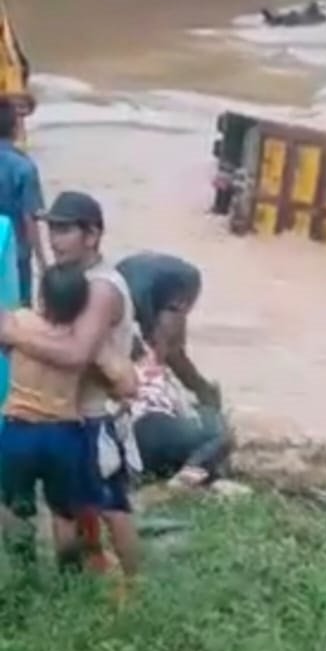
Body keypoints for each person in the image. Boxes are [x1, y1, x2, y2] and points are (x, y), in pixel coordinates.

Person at [0, 191, 140, 579]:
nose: (53, 239)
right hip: (68, 417)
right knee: (80, 507)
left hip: (96, 416)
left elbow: (76, 353)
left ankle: (134, 585)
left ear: (92, 235)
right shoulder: (74, 280)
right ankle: (90, 579)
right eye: (51, 229)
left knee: (112, 506)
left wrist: (15, 335)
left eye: (64, 230)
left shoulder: (100, 288)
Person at [116, 252, 219, 407]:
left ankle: (205, 393)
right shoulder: (106, 303)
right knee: (132, 352)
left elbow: (156, 352)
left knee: (168, 351)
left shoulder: (134, 304)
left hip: (180, 281)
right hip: (141, 274)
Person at [130, 339, 232, 488]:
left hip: (131, 444)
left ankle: (173, 471)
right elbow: (180, 408)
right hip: (157, 423)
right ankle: (193, 468)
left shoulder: (110, 363)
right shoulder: (153, 366)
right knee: (217, 427)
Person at [0, 98, 46, 306]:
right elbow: (30, 218)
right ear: (15, 128)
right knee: (18, 316)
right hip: (15, 255)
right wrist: (43, 264)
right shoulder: (24, 167)